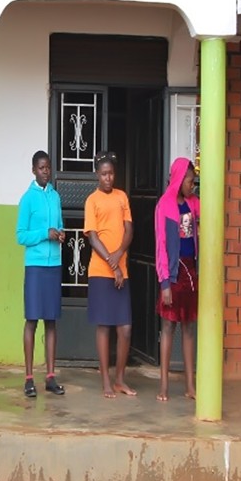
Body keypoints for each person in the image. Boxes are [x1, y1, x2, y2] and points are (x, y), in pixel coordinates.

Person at [84, 151, 135, 399]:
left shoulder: (122, 197)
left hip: (121, 271)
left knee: (125, 328)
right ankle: (105, 379)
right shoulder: (91, 201)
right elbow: (93, 237)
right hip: (100, 271)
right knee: (104, 326)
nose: (108, 178)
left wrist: (119, 255)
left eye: (111, 174)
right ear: (97, 175)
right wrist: (112, 264)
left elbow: (129, 230)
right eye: (104, 174)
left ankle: (120, 379)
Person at [16, 150, 66, 397]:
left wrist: (60, 233)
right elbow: (20, 236)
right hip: (35, 266)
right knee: (32, 320)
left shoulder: (55, 197)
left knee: (51, 321)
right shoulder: (27, 199)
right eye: (41, 168)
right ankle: (28, 378)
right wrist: (44, 234)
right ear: (33, 170)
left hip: (54, 265)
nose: (46, 171)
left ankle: (50, 377)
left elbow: (60, 224)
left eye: (48, 167)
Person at [155, 158, 200, 401]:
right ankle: (163, 385)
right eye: (190, 181)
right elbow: (161, 245)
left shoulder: (193, 203)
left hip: (190, 272)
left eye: (194, 182)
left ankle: (190, 385)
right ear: (179, 179)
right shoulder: (164, 205)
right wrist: (165, 283)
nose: (192, 185)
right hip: (173, 274)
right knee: (168, 327)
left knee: (189, 328)